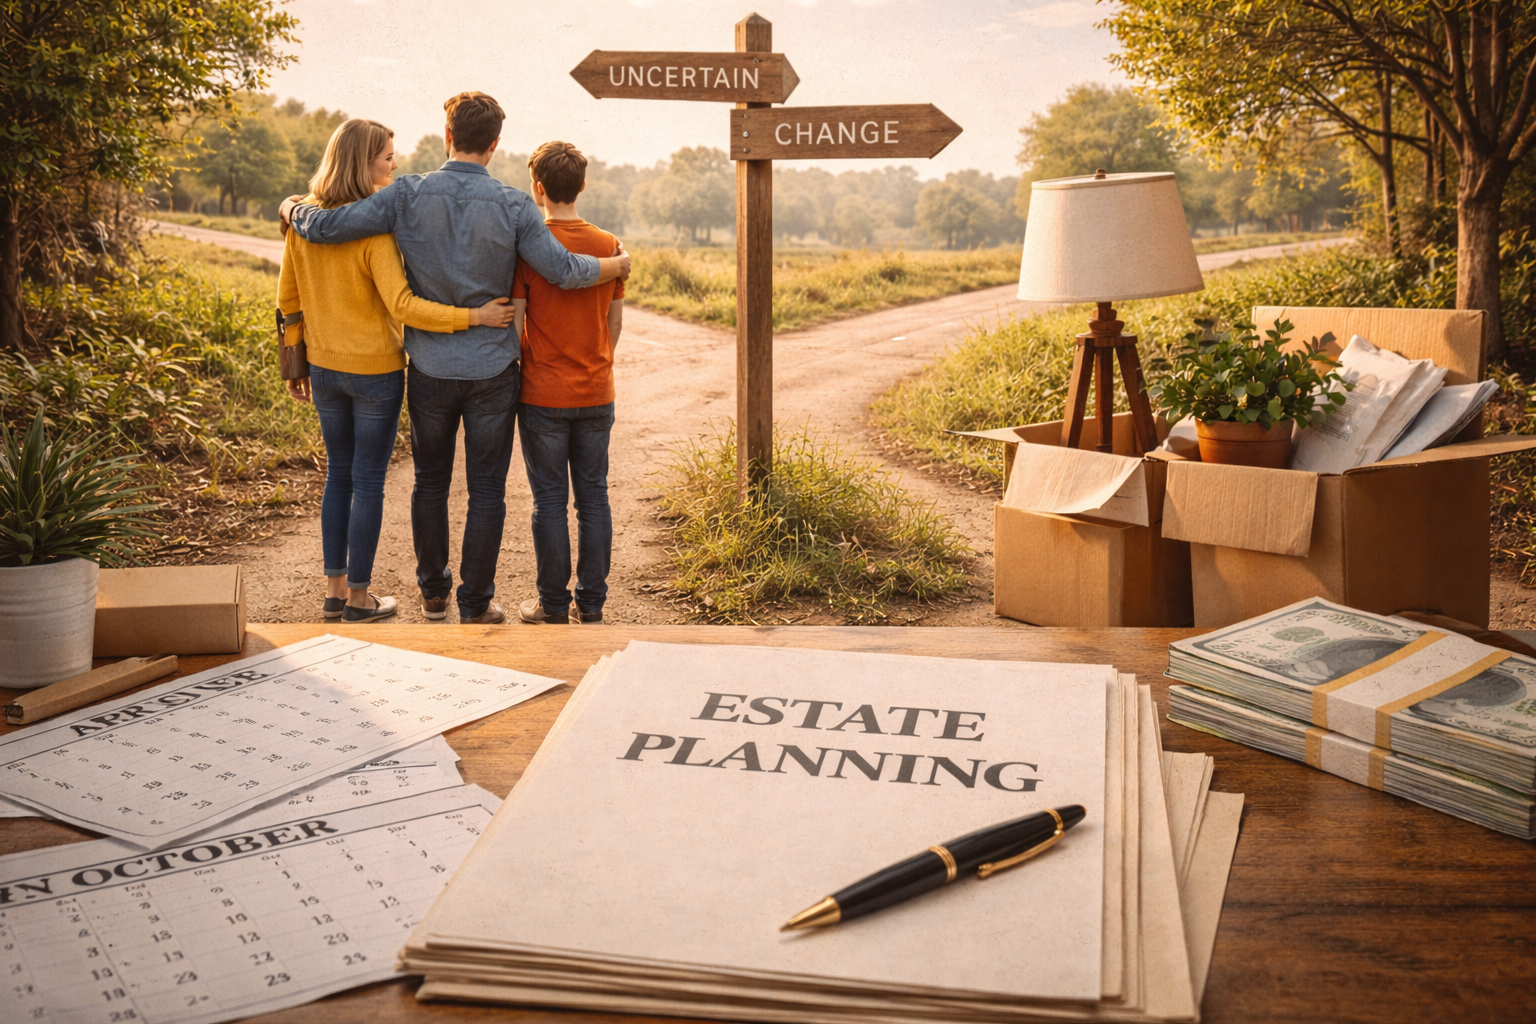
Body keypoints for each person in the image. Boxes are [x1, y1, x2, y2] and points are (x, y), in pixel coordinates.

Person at [280, 93, 631, 624]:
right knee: (487, 489)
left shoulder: (406, 194)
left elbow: (327, 227)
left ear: (447, 135)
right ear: (494, 145)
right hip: (492, 371)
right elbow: (562, 270)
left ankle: (433, 592)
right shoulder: (515, 205)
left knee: (430, 482)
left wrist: (290, 206)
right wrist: (617, 264)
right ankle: (475, 603)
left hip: (430, 367)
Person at [278, 118, 517, 624]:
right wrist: (474, 317)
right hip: (375, 374)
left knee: (337, 477)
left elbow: (289, 299)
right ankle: (361, 599)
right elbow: (405, 306)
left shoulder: (301, 221)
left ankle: (334, 592)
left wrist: (293, 360)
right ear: (363, 163)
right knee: (367, 481)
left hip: (322, 369)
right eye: (387, 157)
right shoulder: (374, 235)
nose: (394, 163)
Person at [511, 142, 624, 625]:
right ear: (582, 184)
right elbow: (614, 323)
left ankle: (553, 606)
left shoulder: (529, 246)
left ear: (537, 188)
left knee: (550, 501)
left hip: (544, 395)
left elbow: (516, 325)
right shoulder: (609, 246)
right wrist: (596, 361)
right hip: (597, 390)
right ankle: (592, 605)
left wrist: (537, 362)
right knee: (594, 496)